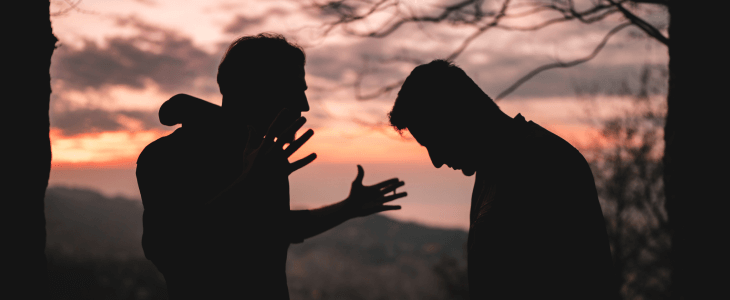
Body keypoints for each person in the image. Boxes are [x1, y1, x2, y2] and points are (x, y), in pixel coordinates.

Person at [136, 33, 407, 299]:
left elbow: (273, 228)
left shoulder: (265, 160)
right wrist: (246, 186)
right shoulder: (164, 157)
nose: (305, 105)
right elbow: (170, 251)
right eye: (295, 91)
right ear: (257, 90)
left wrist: (346, 208)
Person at [387, 59, 617, 299]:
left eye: (434, 142)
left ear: (457, 117)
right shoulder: (490, 172)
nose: (436, 160)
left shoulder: (547, 163)